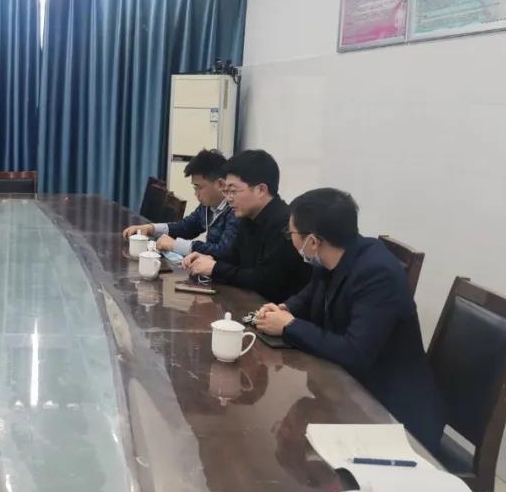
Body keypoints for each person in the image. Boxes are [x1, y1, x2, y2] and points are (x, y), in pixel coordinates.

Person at [253, 188, 446, 453]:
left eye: (292, 233)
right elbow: (310, 295)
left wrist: (289, 326)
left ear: (313, 241)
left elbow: (355, 352)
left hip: (391, 413)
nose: (290, 240)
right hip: (349, 391)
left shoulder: (377, 273)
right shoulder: (335, 256)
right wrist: (286, 309)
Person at [182, 149, 309, 302]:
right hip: (249, 303)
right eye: (226, 191)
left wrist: (215, 268)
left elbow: (266, 281)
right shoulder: (248, 217)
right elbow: (234, 259)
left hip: (275, 308)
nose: (229, 198)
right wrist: (208, 259)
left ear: (261, 190)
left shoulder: (284, 223)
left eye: (233, 191)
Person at [122, 149, 239, 258]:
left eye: (199, 187)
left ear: (220, 184)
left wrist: (175, 245)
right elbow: (186, 227)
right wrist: (151, 228)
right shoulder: (207, 207)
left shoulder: (235, 210)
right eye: (195, 188)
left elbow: (223, 252)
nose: (196, 194)